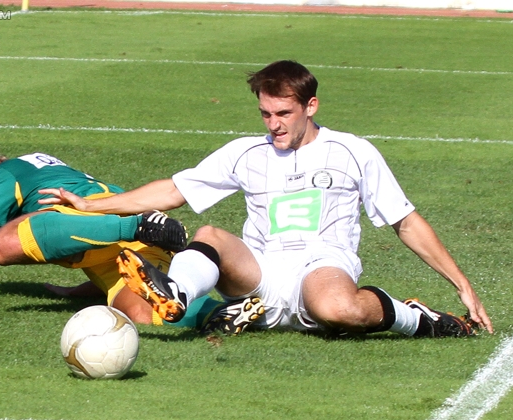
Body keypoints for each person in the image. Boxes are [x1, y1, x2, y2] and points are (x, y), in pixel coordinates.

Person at [39, 60, 493, 338]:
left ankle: (418, 319)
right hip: (258, 273)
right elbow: (173, 191)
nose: (272, 124)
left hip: (322, 265)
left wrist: (462, 284)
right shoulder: (246, 153)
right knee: (211, 233)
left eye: (283, 113)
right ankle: (175, 291)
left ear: (310, 106)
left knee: (337, 310)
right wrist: (91, 205)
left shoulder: (352, 151)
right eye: (265, 113)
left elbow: (405, 221)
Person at [0, 152, 218, 326]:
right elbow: (84, 241)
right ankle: (216, 313)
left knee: (3, 246)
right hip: (123, 238)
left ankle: (138, 226)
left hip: (116, 218)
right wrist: (73, 292)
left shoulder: (7, 172)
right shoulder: (47, 176)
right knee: (143, 313)